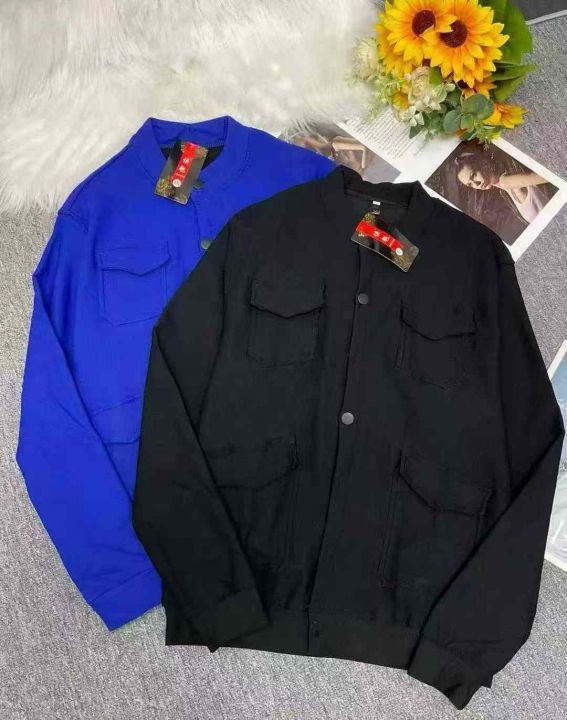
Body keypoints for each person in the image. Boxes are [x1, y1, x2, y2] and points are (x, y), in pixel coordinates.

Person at [455, 150, 551, 224]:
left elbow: (550, 176)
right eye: (470, 184)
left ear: (482, 163)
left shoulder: (506, 181)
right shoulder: (504, 191)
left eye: (473, 175)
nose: (476, 184)